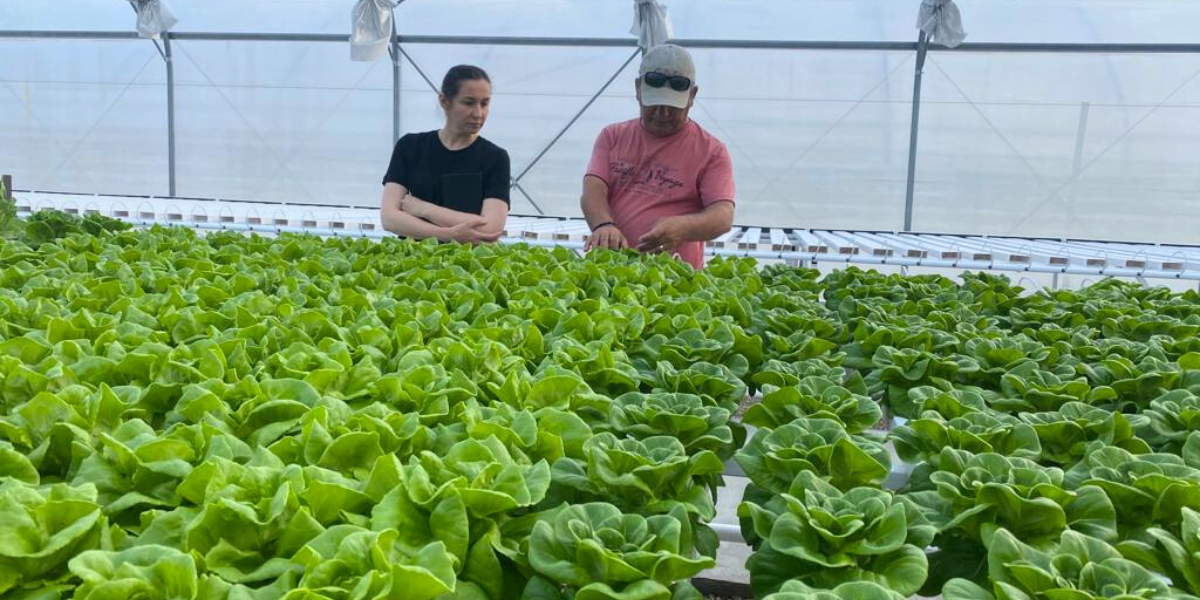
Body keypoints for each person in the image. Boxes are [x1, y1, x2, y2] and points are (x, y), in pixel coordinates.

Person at [581, 44, 735, 269]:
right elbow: (593, 189)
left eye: (672, 107)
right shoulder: (612, 136)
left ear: (692, 96)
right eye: (654, 104)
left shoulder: (711, 151)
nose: (662, 113)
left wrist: (682, 227)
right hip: (613, 269)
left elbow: (723, 216)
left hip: (675, 279)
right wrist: (603, 224)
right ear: (638, 89)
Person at [380, 65, 510, 243]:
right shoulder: (410, 147)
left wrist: (424, 209)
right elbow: (389, 218)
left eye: (485, 103)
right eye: (469, 102)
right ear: (444, 101)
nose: (479, 113)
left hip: (470, 266)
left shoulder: (495, 158)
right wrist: (448, 235)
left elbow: (490, 229)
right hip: (413, 264)